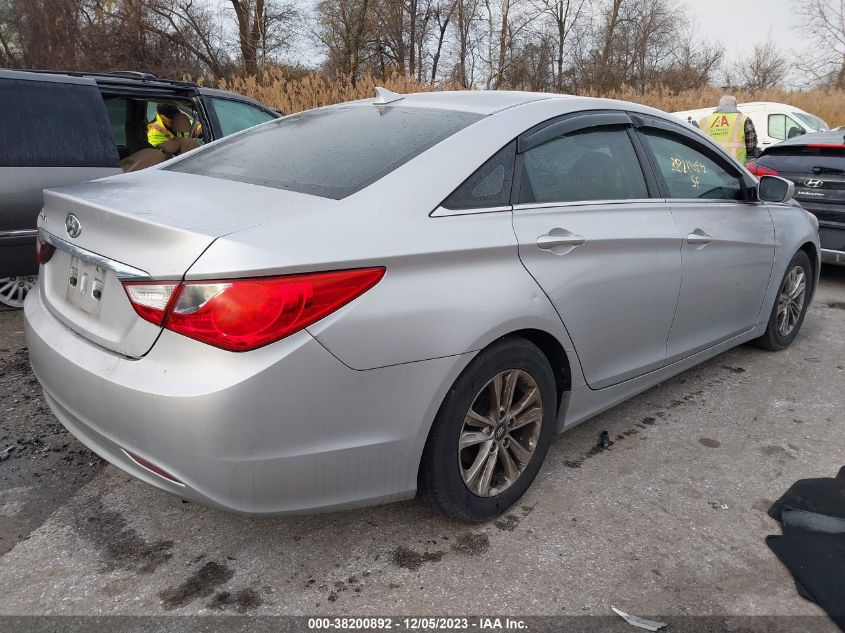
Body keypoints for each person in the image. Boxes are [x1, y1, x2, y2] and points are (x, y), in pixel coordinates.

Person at [699, 95, 758, 163]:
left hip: (711, 166)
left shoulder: (704, 121)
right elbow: (751, 145)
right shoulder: (742, 119)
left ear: (719, 105)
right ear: (735, 104)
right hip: (735, 166)